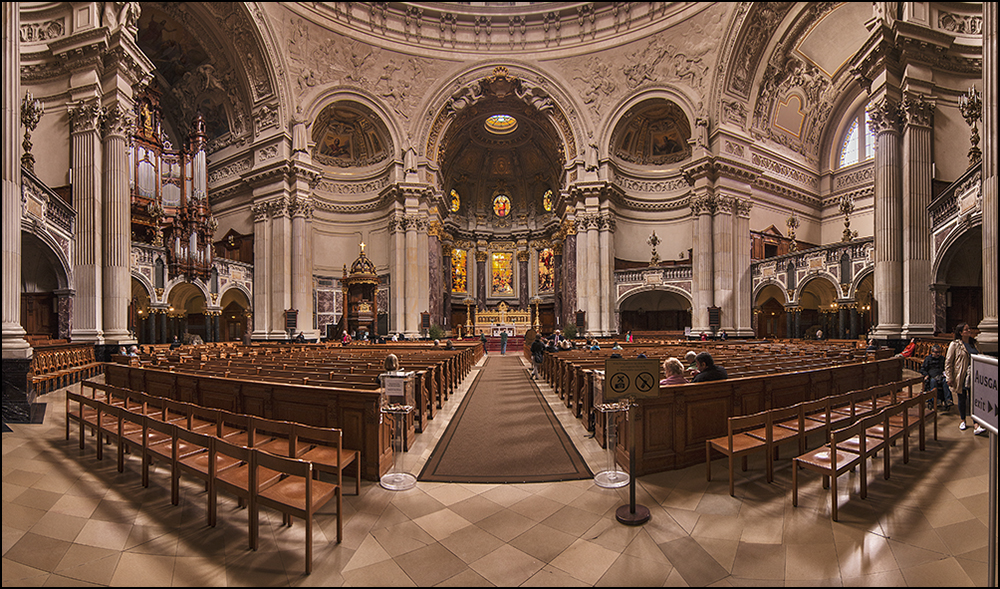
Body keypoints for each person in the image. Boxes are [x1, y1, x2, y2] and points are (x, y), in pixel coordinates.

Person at [946, 323, 983, 434]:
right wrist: (949, 377)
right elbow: (949, 362)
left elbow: (981, 355)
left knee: (974, 399)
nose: (969, 331)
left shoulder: (974, 343)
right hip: (961, 375)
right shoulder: (955, 344)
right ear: (961, 333)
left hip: (975, 375)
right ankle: (963, 420)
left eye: (969, 329)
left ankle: (976, 424)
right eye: (966, 330)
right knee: (962, 398)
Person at [920, 344, 952, 410]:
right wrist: (926, 375)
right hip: (932, 377)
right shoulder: (928, 359)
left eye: (939, 352)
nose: (938, 354)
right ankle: (936, 400)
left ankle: (948, 399)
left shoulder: (942, 359)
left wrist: (946, 374)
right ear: (932, 352)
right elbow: (922, 369)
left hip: (941, 376)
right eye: (936, 352)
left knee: (945, 382)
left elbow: (946, 368)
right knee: (933, 382)